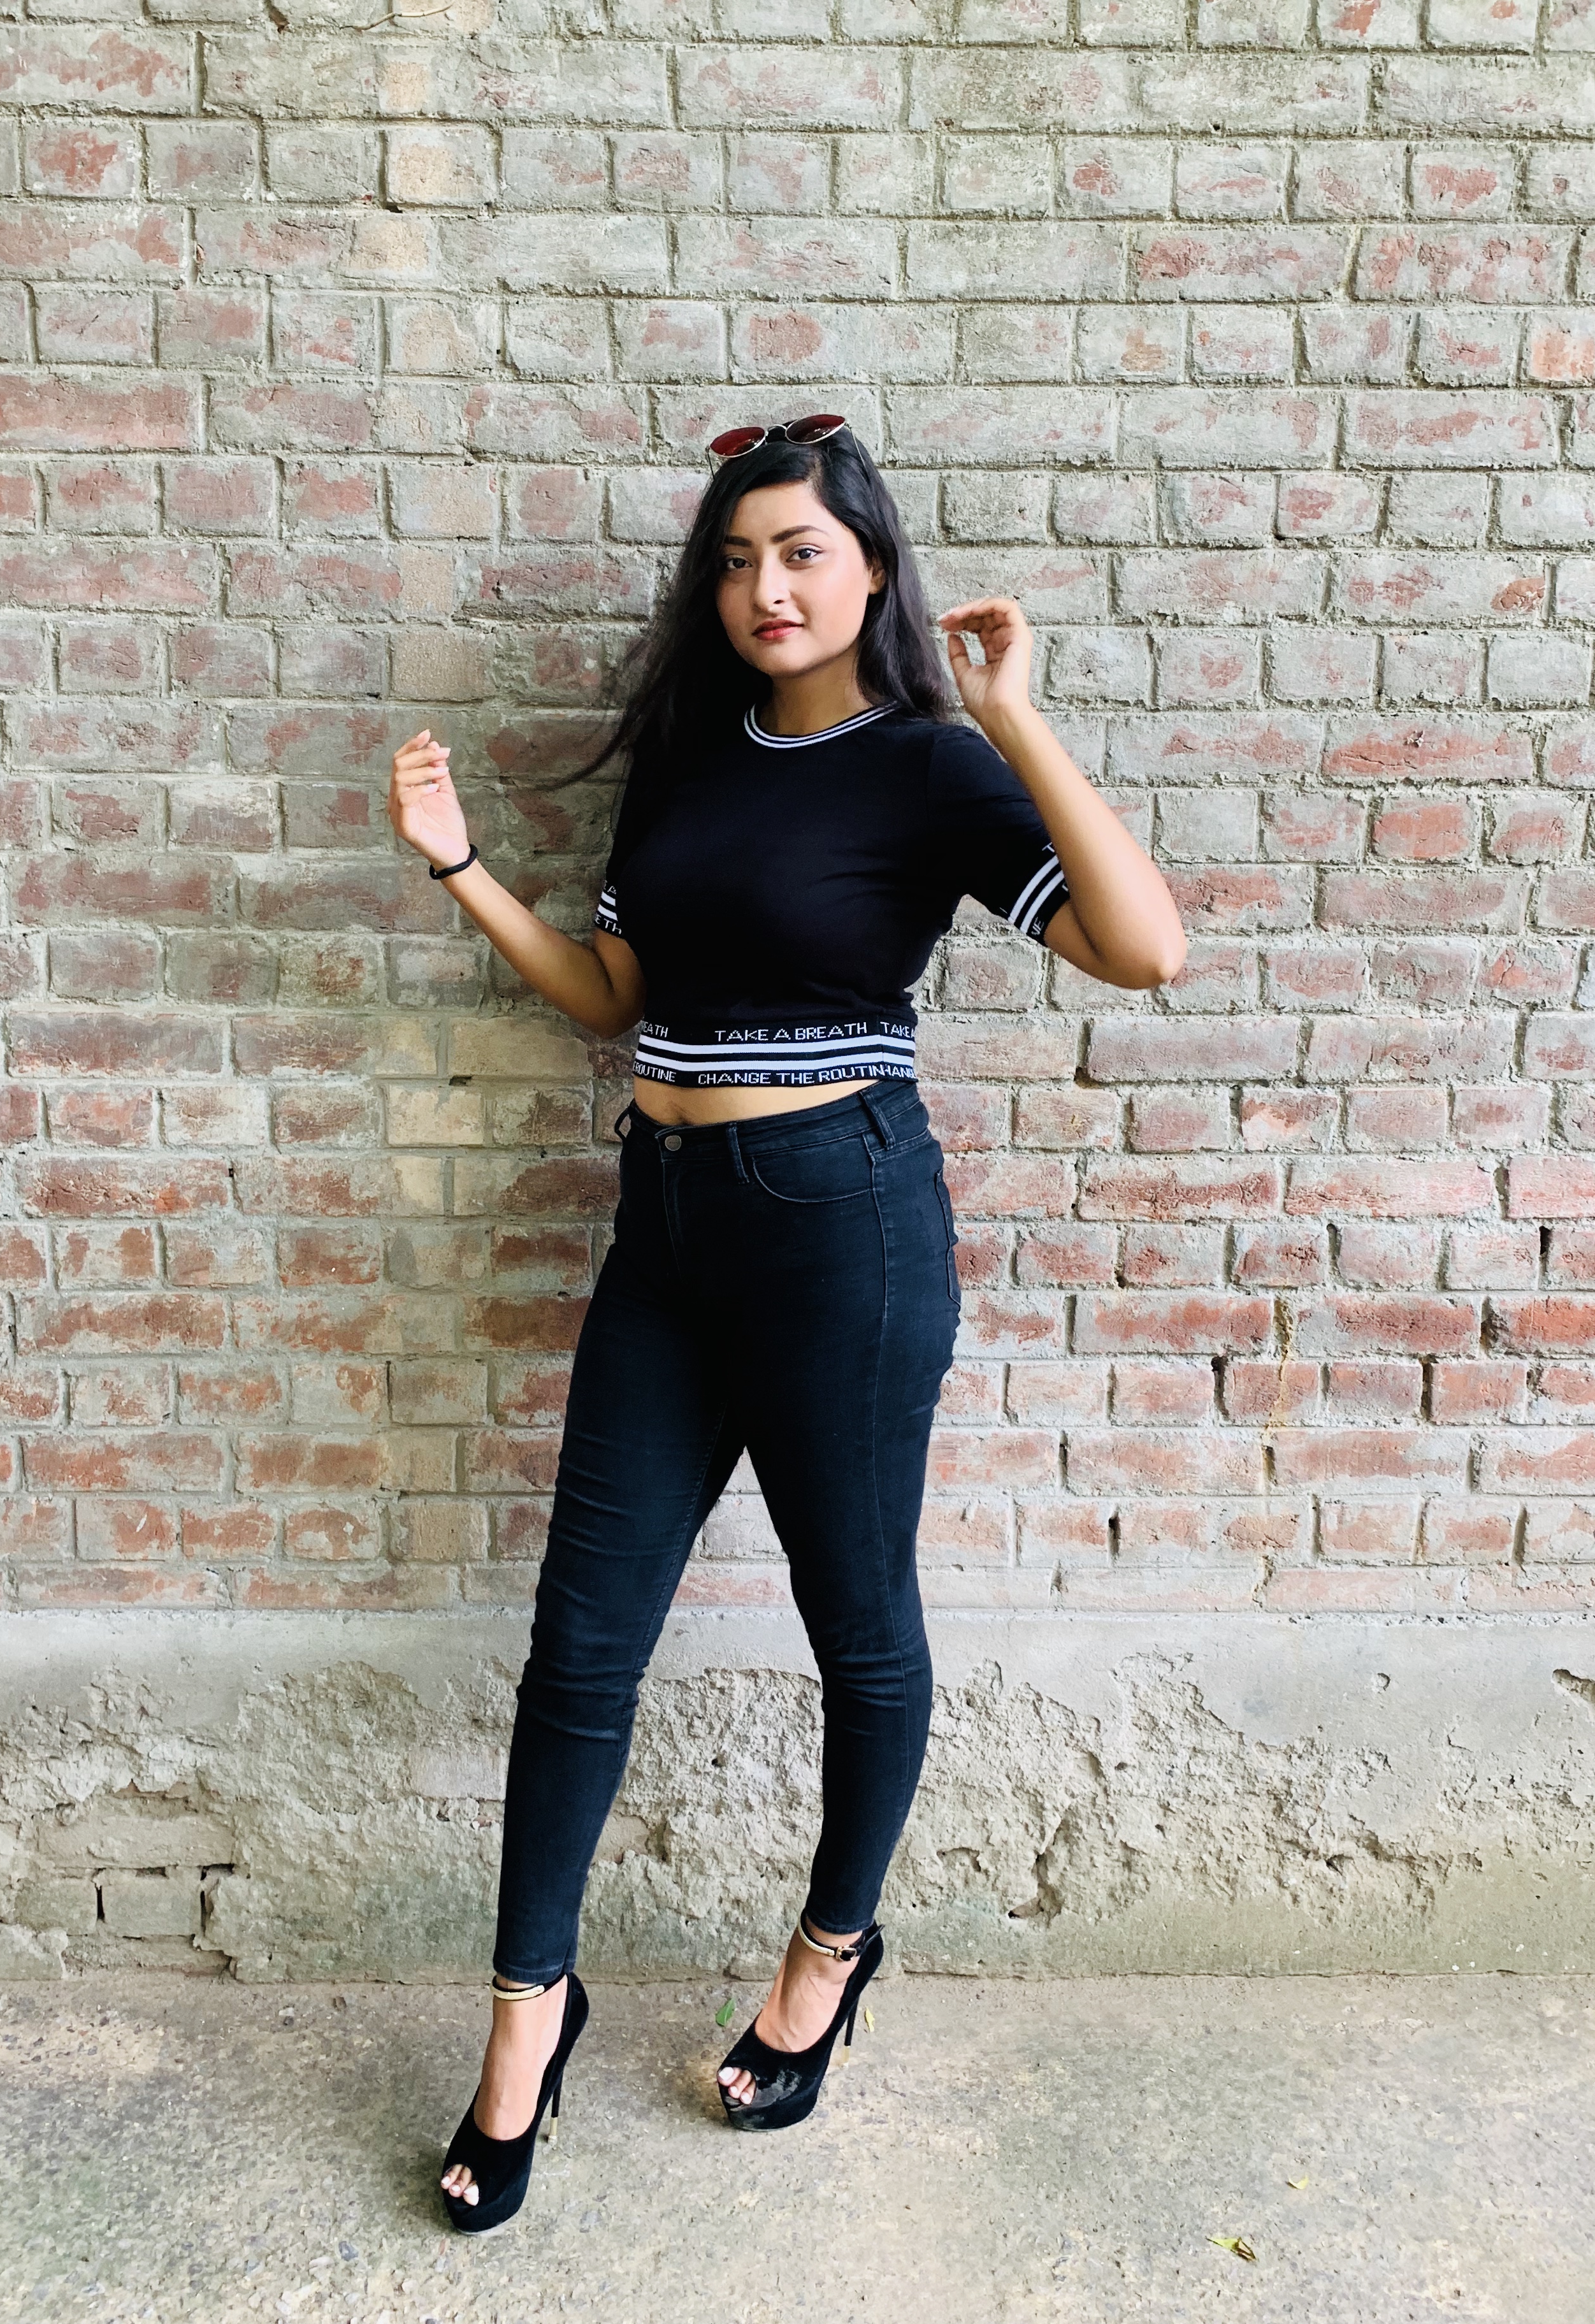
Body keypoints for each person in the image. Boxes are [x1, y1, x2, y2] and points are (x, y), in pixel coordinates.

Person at [388, 412, 1186, 2230]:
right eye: (740, 558)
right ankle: (526, 2027)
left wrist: (1016, 720)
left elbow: (1146, 950)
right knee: (579, 1648)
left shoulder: (932, 767)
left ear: (872, 571)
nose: (768, 586)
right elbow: (612, 998)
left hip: (845, 1231)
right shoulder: (684, 761)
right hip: (664, 1228)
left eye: (805, 552)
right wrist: (459, 865)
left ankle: (828, 1959)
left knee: (859, 1629)